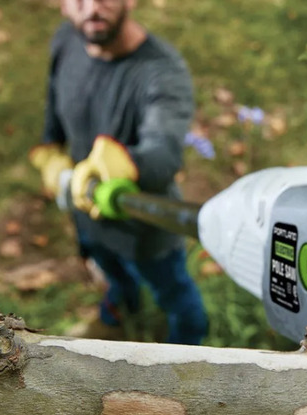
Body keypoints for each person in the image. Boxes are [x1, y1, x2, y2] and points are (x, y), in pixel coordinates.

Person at [29, 0, 209, 345]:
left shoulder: (162, 73)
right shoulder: (67, 40)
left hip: (145, 228)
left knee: (177, 297)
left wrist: (110, 167)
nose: (93, 8)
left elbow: (163, 157)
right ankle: (115, 316)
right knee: (113, 277)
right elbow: (55, 108)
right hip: (86, 213)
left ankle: (187, 359)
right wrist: (50, 154)